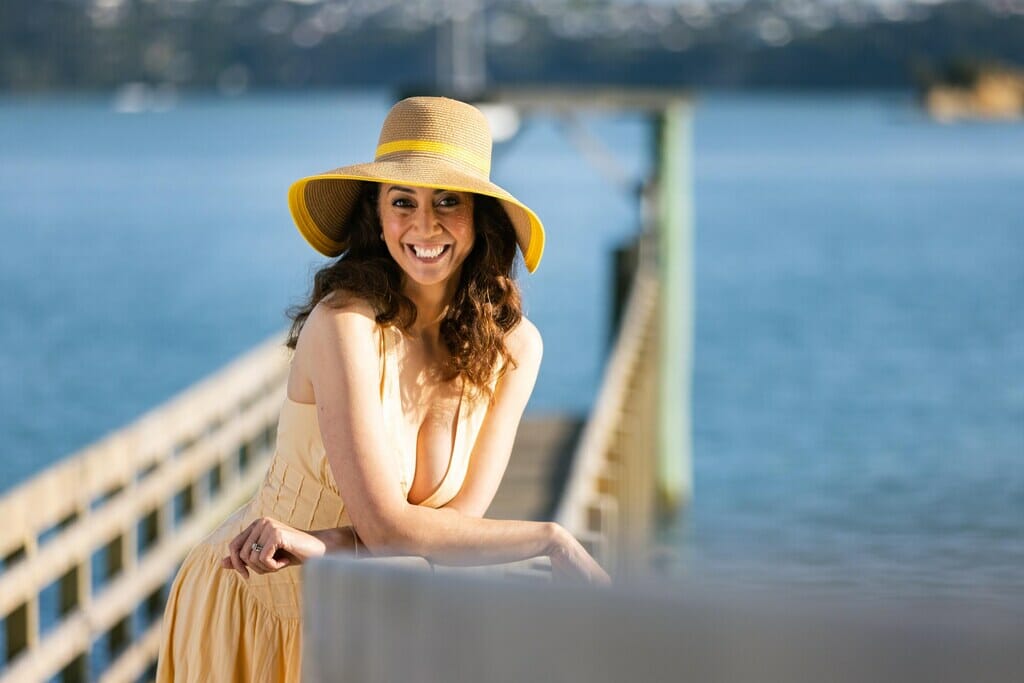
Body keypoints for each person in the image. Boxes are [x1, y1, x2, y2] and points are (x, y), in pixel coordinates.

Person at [155, 96, 609, 681]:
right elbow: (388, 528)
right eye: (403, 202)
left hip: (377, 625)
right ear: (377, 215)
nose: (425, 225)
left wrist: (319, 542)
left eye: (448, 201)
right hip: (259, 611)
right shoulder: (344, 325)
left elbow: (448, 531)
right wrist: (551, 539)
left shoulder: (514, 349)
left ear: (482, 217)